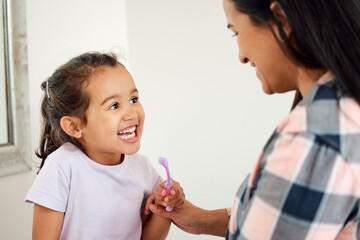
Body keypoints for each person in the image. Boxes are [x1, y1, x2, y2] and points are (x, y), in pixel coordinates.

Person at [146, 0, 360, 239]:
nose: (241, 56)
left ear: (281, 18)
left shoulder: (313, 136)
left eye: (236, 31)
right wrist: (202, 220)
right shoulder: (343, 109)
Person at [25, 52, 184, 240]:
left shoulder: (143, 169)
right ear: (75, 126)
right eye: (114, 106)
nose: (132, 114)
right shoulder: (62, 168)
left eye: (133, 100)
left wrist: (166, 204)